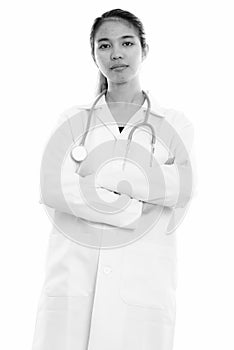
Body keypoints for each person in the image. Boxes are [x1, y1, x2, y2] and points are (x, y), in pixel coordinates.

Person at [32, 8, 196, 350]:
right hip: (73, 284)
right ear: (94, 55)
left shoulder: (175, 124)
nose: (116, 53)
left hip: (140, 289)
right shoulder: (72, 120)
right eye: (104, 45)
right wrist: (134, 209)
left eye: (126, 43)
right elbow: (51, 188)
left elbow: (181, 187)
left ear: (144, 50)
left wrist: (94, 176)